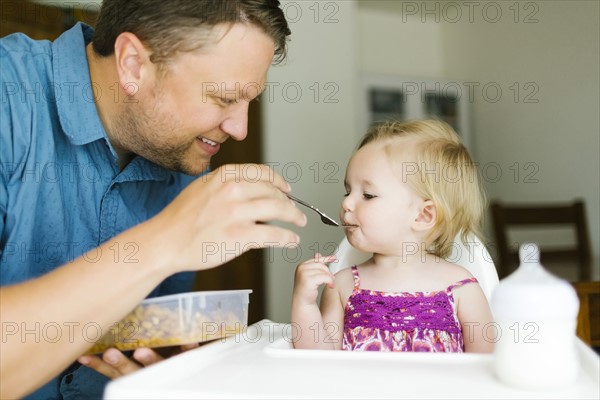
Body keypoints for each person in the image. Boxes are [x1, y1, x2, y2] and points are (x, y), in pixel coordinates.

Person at [0, 1, 302, 399]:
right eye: (222, 97)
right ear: (131, 64)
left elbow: (135, 346)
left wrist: (161, 375)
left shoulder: (180, 155)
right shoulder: (10, 99)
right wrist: (166, 240)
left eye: (250, 101)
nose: (240, 129)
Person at [291, 120, 494, 353]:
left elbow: (485, 369)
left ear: (423, 215)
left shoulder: (461, 289)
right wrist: (304, 303)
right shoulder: (341, 285)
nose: (346, 203)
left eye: (367, 195)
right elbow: (317, 360)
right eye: (348, 191)